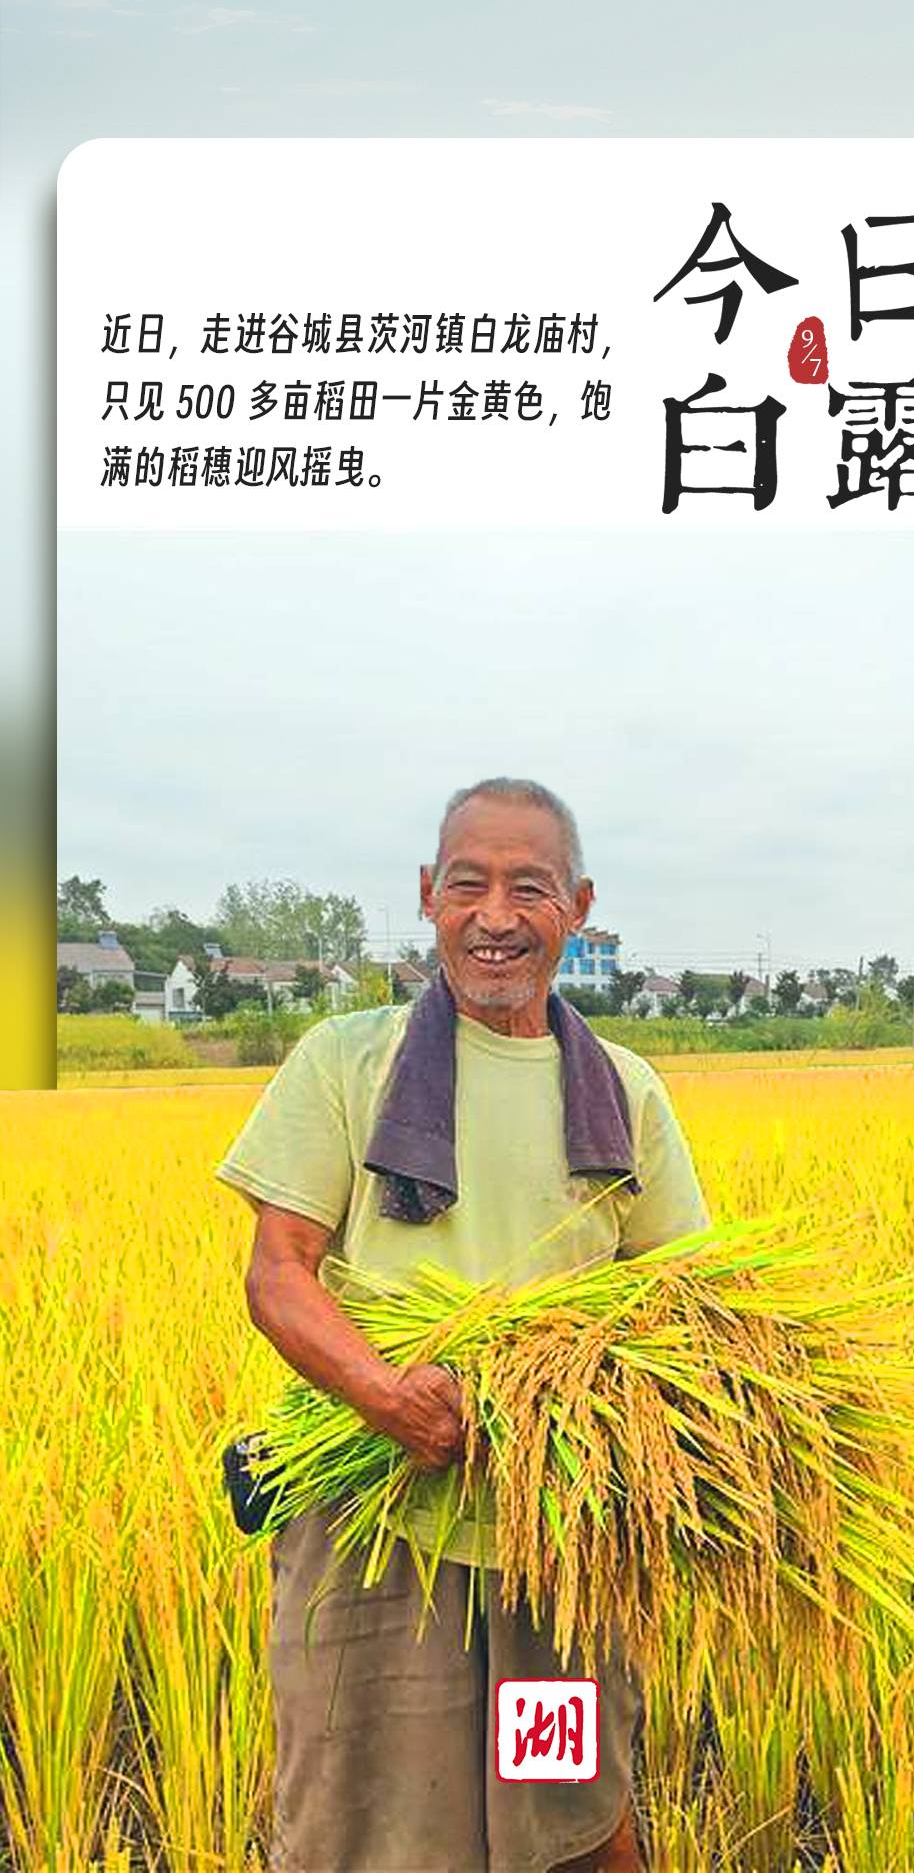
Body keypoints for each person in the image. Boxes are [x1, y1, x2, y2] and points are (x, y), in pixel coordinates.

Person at [217, 777, 711, 1873]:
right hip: (373, 1539)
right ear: (427, 895)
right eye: (467, 885)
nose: (495, 916)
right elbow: (279, 1272)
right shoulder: (346, 1061)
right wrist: (382, 1394)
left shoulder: (624, 1092)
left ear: (578, 905)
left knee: (567, 1822)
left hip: (554, 1548)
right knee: (371, 1830)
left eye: (528, 888)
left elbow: (681, 1302)